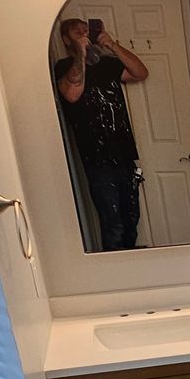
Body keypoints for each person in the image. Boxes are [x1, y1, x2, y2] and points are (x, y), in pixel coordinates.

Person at [54, 17, 149, 250]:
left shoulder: (108, 64)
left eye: (87, 31)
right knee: (113, 225)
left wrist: (112, 45)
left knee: (131, 220)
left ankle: (132, 265)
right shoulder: (64, 67)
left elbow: (140, 73)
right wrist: (81, 54)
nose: (85, 34)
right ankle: (116, 268)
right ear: (66, 39)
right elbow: (72, 94)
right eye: (78, 32)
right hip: (97, 160)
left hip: (125, 155)